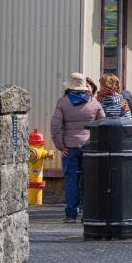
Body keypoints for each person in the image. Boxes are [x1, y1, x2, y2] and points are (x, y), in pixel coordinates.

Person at [50, 73, 105, 222]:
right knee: (89, 180)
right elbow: (103, 124)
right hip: (89, 147)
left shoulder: (63, 102)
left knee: (71, 180)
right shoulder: (94, 103)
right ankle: (88, 213)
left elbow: (55, 127)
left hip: (69, 147)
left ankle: (70, 215)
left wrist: (60, 146)